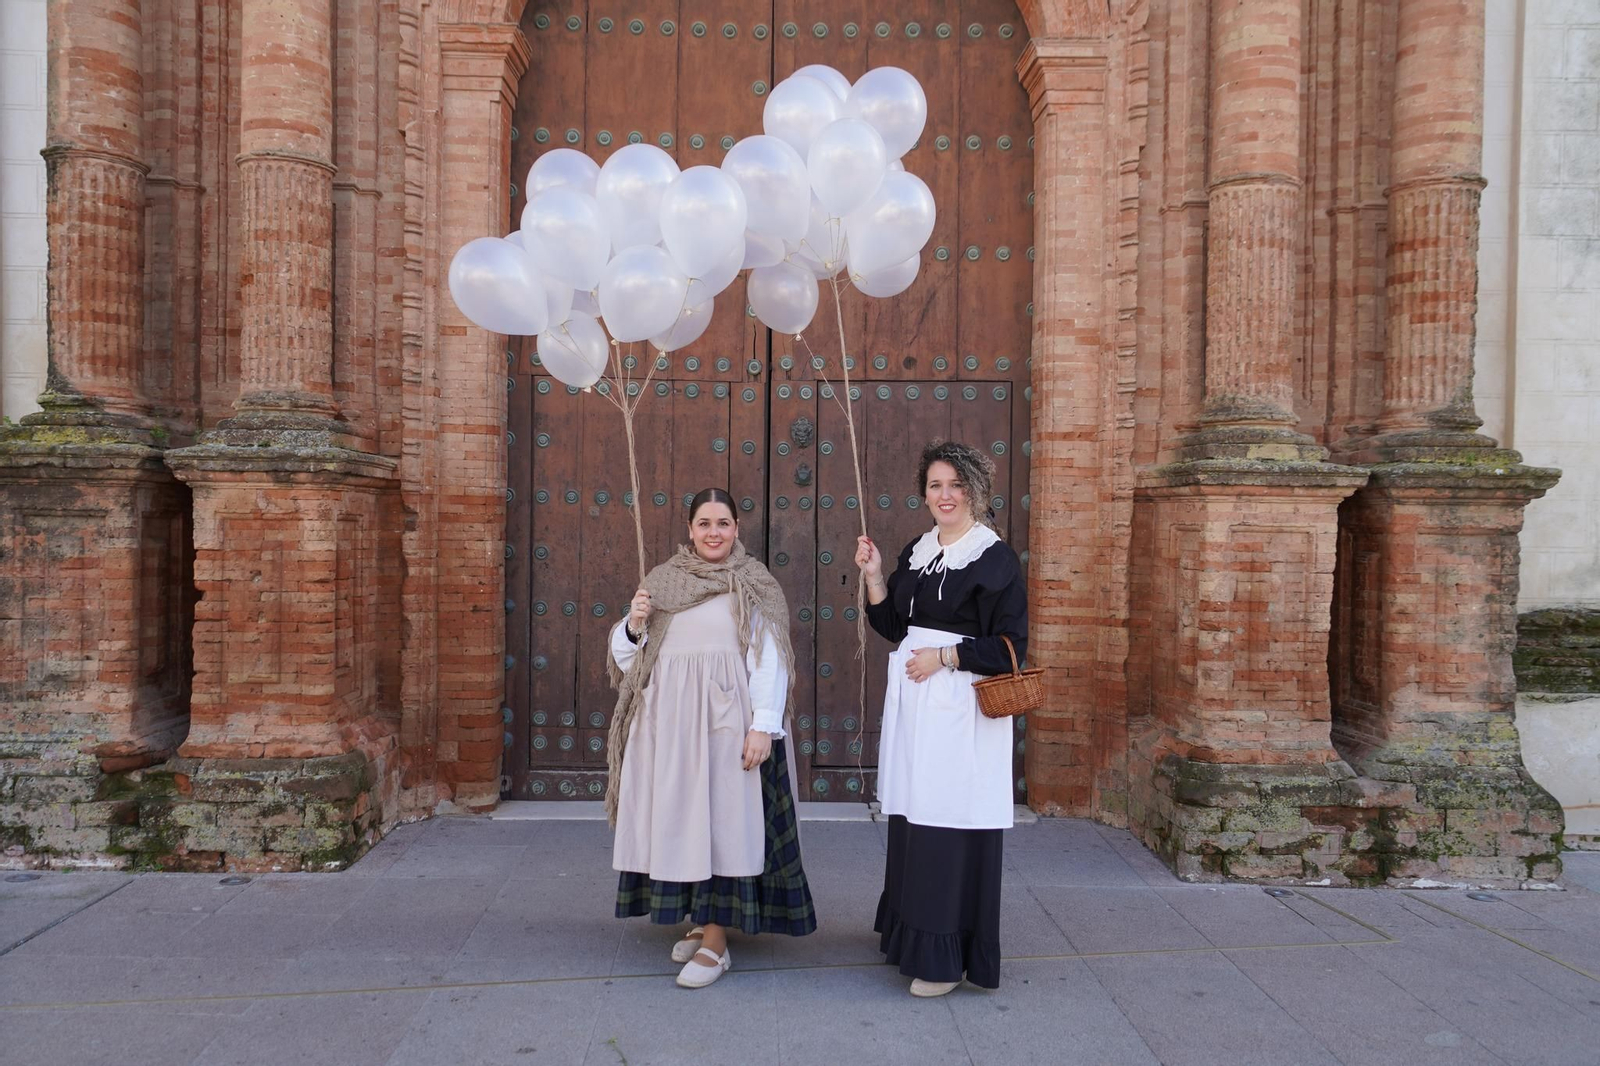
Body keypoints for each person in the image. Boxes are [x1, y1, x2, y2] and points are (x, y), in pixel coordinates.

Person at [605, 487, 816, 989]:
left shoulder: (752, 583)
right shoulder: (662, 582)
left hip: (725, 726)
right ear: (690, 529)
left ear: (737, 529)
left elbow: (770, 658)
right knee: (685, 822)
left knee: (723, 824)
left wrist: (762, 725)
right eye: (704, 523)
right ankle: (700, 919)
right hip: (671, 728)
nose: (714, 532)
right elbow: (629, 660)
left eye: (723, 523)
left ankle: (717, 944)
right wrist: (634, 624)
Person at [854, 440, 1028, 996]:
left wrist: (946, 658)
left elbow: (1009, 647)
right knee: (914, 815)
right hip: (918, 707)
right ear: (923, 493)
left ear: (975, 489)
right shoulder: (919, 548)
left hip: (960, 708)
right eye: (935, 485)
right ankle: (909, 934)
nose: (945, 495)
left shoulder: (994, 555)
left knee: (948, 822)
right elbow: (894, 627)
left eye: (956, 484)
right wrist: (876, 574)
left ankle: (944, 955)